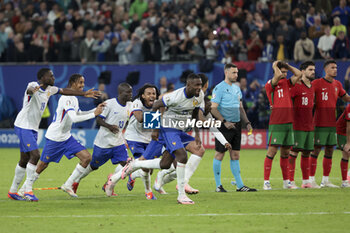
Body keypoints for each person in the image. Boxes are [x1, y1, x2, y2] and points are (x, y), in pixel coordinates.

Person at [8, 68, 99, 201]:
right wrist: (32, 90)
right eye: (50, 75)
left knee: (24, 159)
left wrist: (84, 94)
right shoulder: (33, 85)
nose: (54, 77)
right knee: (36, 156)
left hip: (36, 129)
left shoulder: (52, 90)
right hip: (24, 126)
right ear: (42, 78)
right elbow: (30, 89)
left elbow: (64, 91)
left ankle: (13, 191)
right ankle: (27, 190)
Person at [114, 73, 204, 204]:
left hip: (179, 130)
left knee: (165, 164)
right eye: (197, 85)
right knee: (182, 156)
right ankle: (181, 195)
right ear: (188, 85)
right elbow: (156, 105)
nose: (199, 88)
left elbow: (195, 113)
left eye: (200, 85)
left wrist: (197, 134)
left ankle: (136, 164)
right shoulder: (175, 96)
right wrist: (156, 129)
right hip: (168, 129)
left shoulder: (199, 96)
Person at [72, 83, 133, 196]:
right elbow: (98, 120)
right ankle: (76, 181)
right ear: (120, 93)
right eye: (128, 92)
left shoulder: (131, 105)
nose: (130, 94)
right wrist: (109, 126)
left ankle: (109, 184)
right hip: (103, 143)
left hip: (118, 142)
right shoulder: (109, 104)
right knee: (93, 166)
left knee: (127, 164)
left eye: (131, 92)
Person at [211, 63, 257, 192]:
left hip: (236, 125)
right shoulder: (219, 88)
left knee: (235, 155)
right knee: (220, 154)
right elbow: (213, 109)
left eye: (237, 73)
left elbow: (240, 107)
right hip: (224, 126)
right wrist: (224, 121)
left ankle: (240, 185)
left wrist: (247, 122)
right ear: (226, 73)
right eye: (234, 73)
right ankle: (218, 186)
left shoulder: (237, 89)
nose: (236, 75)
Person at [309, 60, 350, 188]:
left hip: (332, 124)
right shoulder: (316, 83)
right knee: (316, 150)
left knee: (329, 151)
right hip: (319, 123)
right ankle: (310, 180)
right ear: (326, 70)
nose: (336, 70)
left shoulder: (337, 84)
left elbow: (345, 97)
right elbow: (309, 99)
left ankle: (325, 180)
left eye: (336, 67)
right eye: (333, 67)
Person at [263, 61, 302, 190]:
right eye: (283, 72)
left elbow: (299, 73)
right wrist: (275, 65)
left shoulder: (288, 83)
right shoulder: (271, 84)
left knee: (285, 153)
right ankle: (266, 182)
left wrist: (288, 66)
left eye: (286, 72)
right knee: (272, 152)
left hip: (288, 122)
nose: (284, 74)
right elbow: (278, 76)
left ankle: (286, 182)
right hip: (277, 122)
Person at [124, 83, 160, 199]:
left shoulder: (158, 104)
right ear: (143, 96)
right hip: (134, 137)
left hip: (149, 138)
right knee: (145, 166)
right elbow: (139, 118)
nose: (152, 96)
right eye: (148, 93)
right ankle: (148, 192)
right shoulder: (137, 103)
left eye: (153, 93)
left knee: (149, 171)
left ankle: (132, 175)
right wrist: (158, 116)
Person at [288, 61, 316, 189]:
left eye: (314, 70)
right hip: (297, 126)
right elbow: (286, 102)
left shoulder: (313, 87)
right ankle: (290, 181)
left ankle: (306, 181)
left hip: (309, 126)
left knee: (306, 153)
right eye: (310, 70)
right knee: (293, 153)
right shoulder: (296, 86)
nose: (313, 72)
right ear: (303, 71)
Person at [336, 104, 350, 188]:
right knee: (346, 153)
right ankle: (345, 181)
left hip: (347, 132)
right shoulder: (349, 107)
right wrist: (348, 143)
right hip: (341, 132)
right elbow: (349, 127)